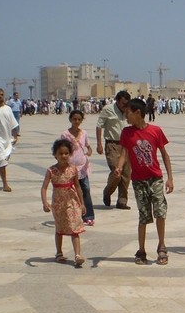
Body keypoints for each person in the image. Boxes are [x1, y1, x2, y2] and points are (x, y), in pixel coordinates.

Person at [114, 98, 174, 265]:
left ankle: (162, 246)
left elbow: (164, 155)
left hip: (155, 178)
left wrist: (170, 178)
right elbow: (124, 154)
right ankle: (141, 250)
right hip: (138, 180)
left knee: (160, 212)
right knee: (144, 215)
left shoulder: (155, 131)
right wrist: (119, 168)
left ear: (137, 113)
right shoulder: (126, 133)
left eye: (128, 113)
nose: (126, 117)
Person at [41, 138, 86, 267]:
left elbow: (78, 187)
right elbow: (44, 187)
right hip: (58, 204)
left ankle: (78, 255)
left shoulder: (73, 169)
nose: (63, 156)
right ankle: (59, 252)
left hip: (72, 202)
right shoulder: (51, 170)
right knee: (59, 228)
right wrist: (45, 202)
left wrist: (82, 203)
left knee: (74, 228)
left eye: (66, 153)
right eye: (60, 153)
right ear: (55, 154)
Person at [96, 90, 132, 209]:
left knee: (126, 174)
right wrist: (99, 144)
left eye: (127, 104)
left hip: (126, 145)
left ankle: (122, 200)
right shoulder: (108, 109)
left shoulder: (128, 110)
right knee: (116, 172)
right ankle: (107, 192)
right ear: (117, 101)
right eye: (123, 103)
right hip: (112, 145)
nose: (125, 106)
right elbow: (99, 126)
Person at [61, 110, 95, 226]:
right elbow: (62, 150)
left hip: (83, 167)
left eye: (79, 119)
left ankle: (88, 216)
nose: (76, 121)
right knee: (71, 192)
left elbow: (88, 146)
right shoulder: (65, 134)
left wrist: (89, 151)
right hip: (70, 167)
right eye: (74, 119)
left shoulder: (84, 133)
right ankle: (70, 214)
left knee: (85, 189)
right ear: (70, 119)